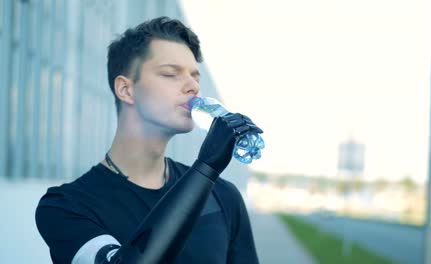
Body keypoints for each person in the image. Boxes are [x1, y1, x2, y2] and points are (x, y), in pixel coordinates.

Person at [35, 17, 262, 264]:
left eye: (195, 76)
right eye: (170, 74)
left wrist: (207, 173)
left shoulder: (222, 195)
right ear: (126, 90)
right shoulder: (67, 206)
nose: (193, 87)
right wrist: (206, 168)